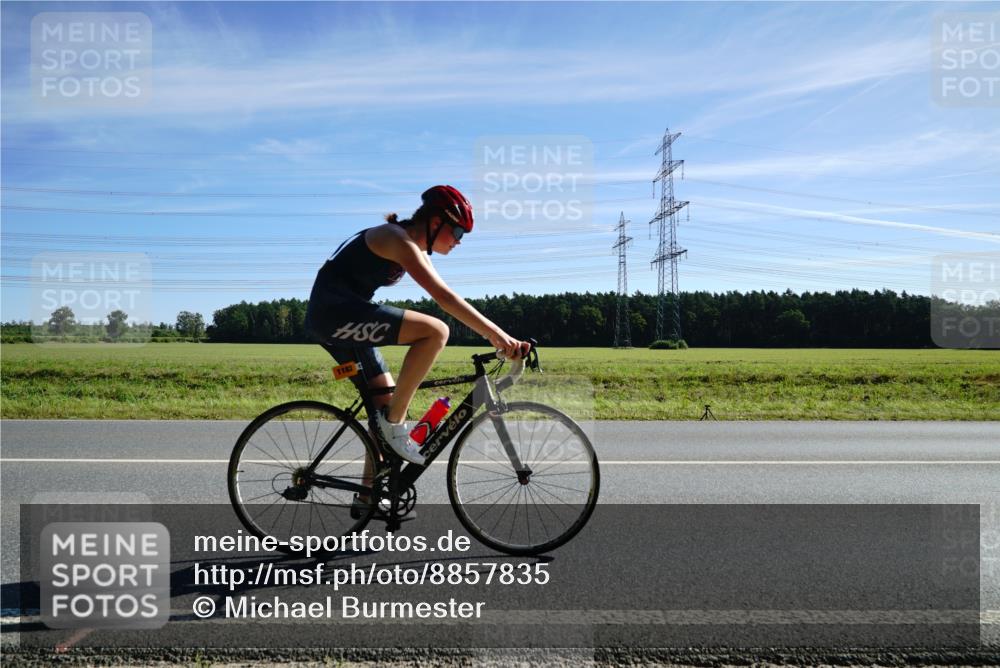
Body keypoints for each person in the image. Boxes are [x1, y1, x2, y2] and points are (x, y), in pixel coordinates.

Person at [304, 185, 529, 467]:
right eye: (458, 232)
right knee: (435, 332)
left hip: (346, 315)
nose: (459, 241)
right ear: (436, 223)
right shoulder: (395, 239)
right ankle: (395, 426)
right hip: (333, 315)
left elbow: (449, 293)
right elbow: (444, 298)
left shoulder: (410, 245)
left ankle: (370, 498)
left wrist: (500, 335)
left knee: (385, 405)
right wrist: (499, 337)